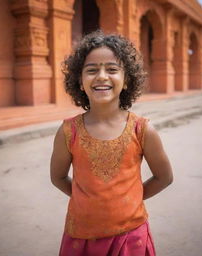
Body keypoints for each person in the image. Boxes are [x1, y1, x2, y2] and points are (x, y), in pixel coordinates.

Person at [50, 30, 173, 256]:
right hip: (81, 236)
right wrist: (87, 200)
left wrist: (129, 200)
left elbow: (164, 177)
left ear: (126, 80)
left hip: (131, 236)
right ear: (79, 80)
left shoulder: (142, 129)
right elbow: (57, 177)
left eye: (112, 69)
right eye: (92, 70)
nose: (102, 76)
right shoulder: (69, 131)